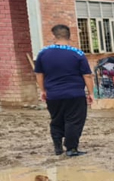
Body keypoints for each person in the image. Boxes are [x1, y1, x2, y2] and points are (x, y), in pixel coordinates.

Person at [35, 24, 94, 156]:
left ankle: (57, 146)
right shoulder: (78, 54)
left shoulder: (43, 53)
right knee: (73, 120)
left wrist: (43, 90)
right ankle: (71, 148)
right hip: (74, 94)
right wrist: (91, 93)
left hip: (53, 94)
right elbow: (87, 75)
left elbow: (39, 74)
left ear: (54, 36)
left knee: (56, 119)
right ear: (70, 36)